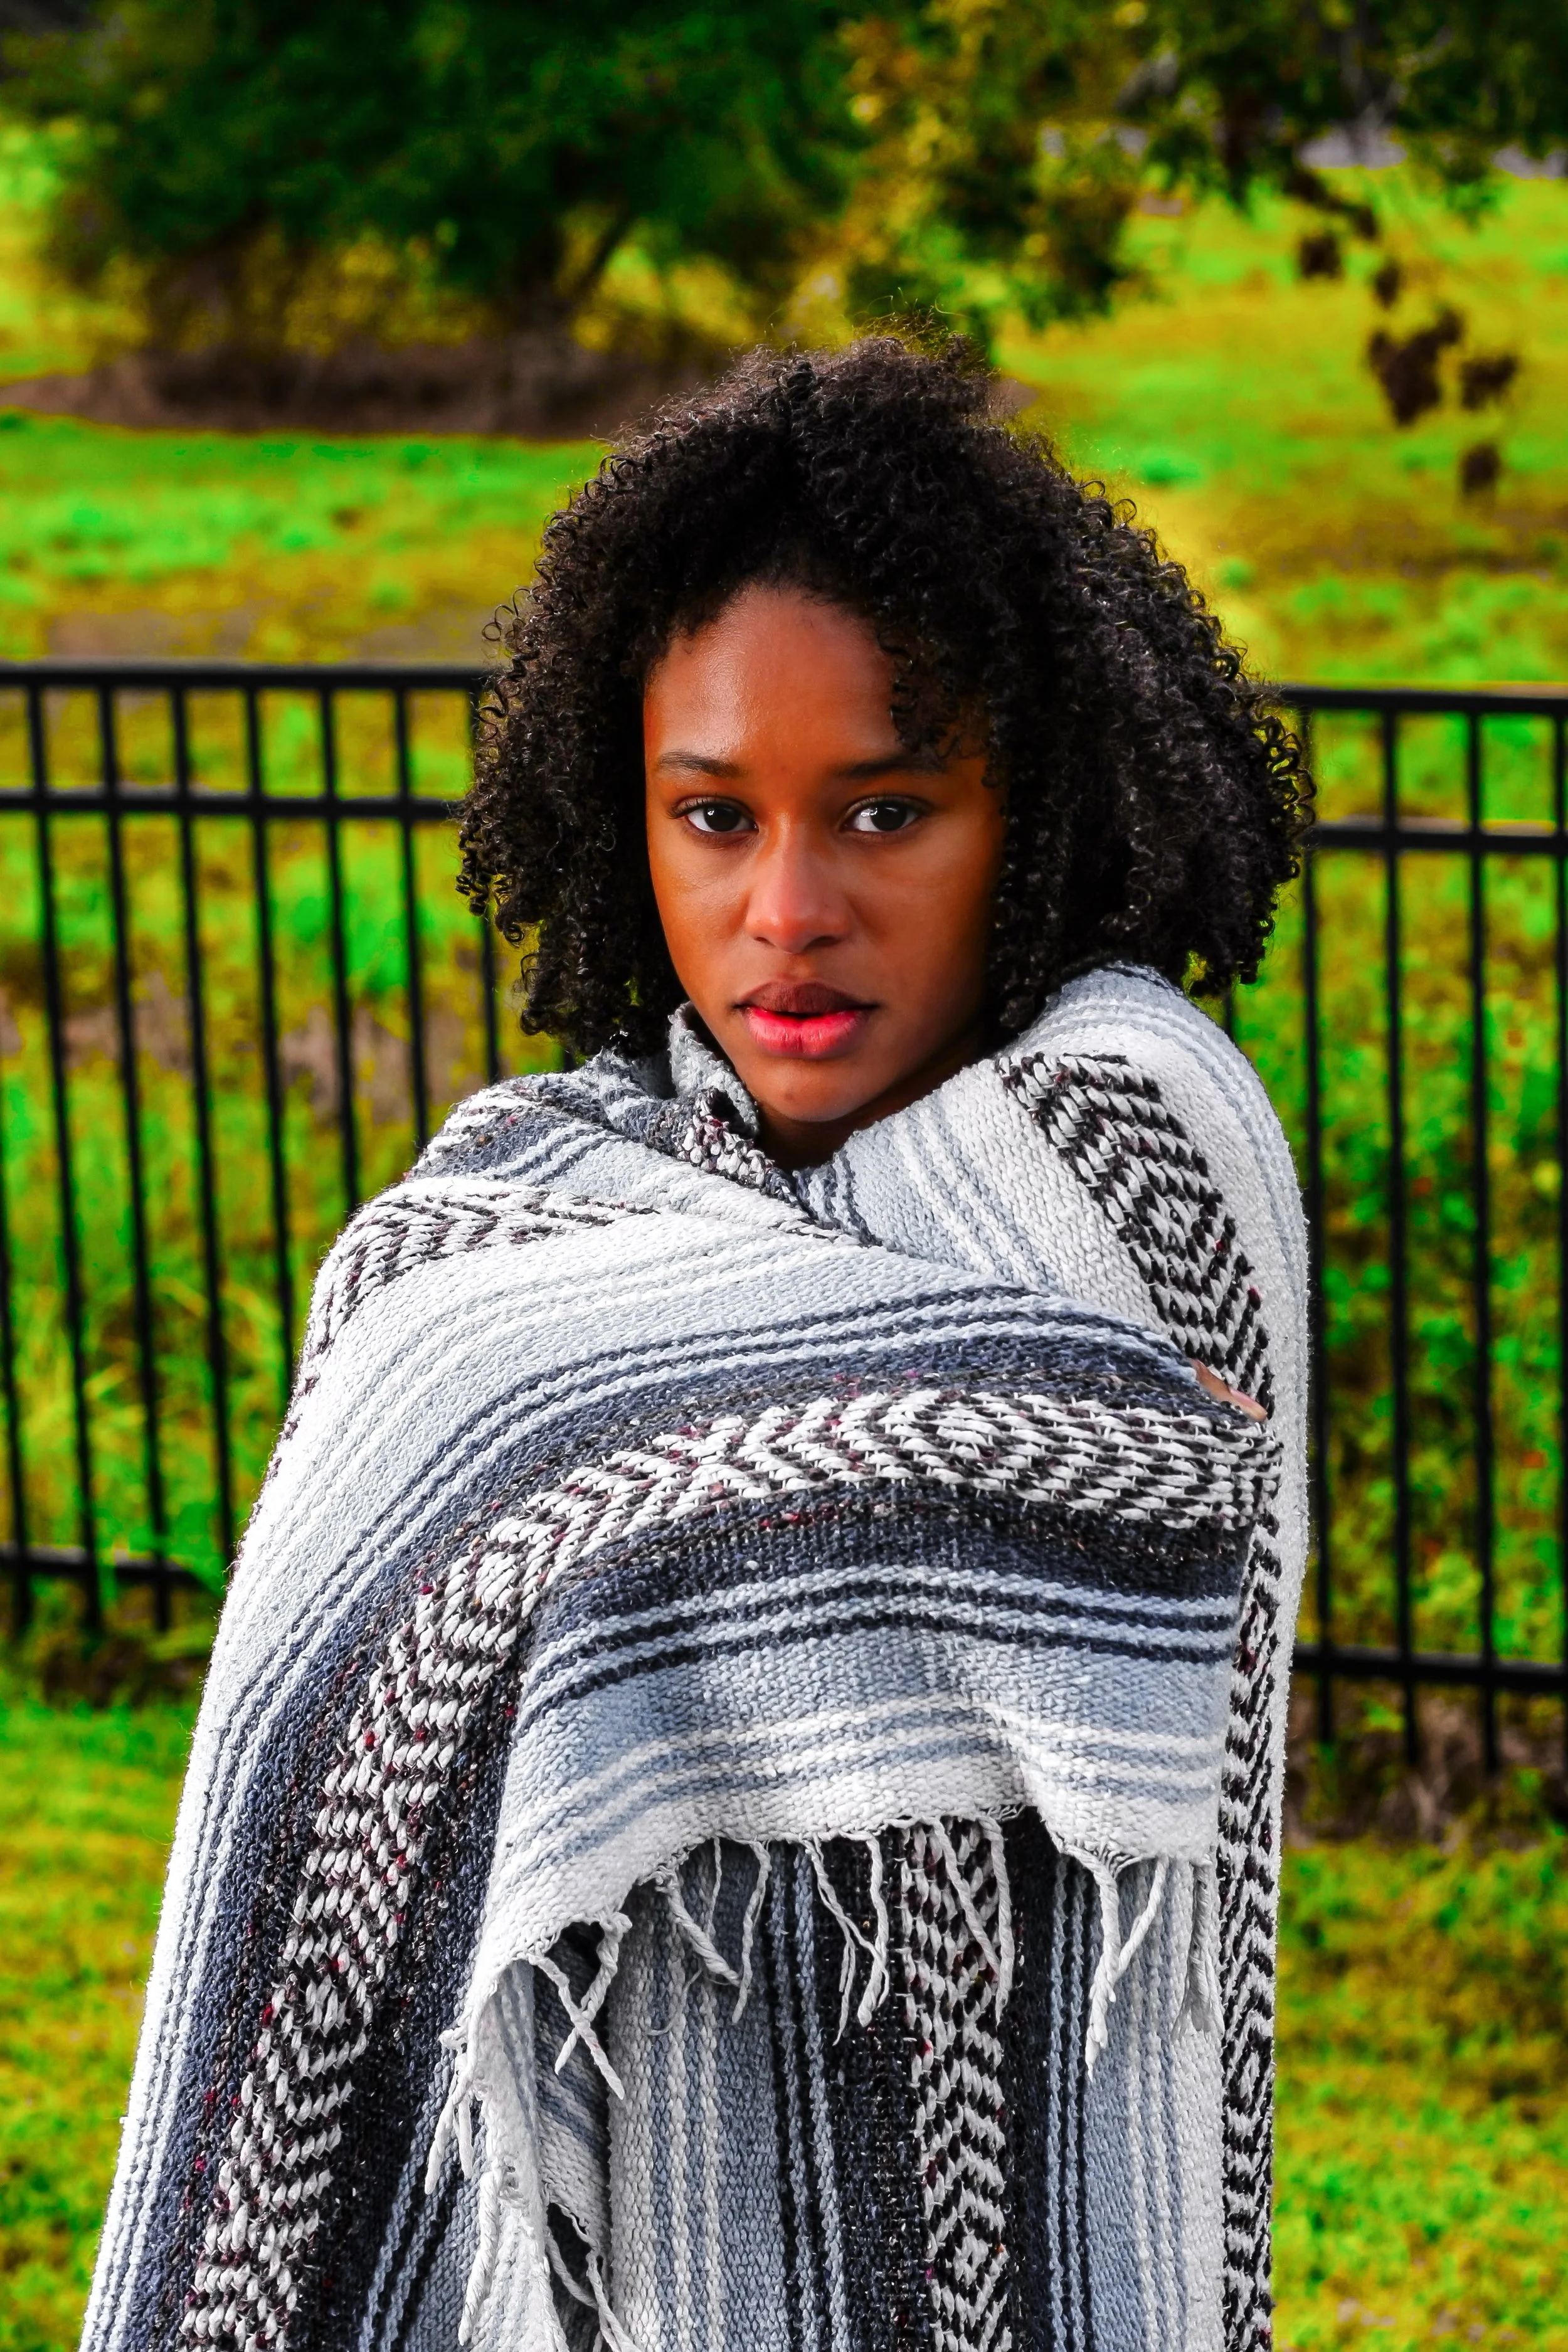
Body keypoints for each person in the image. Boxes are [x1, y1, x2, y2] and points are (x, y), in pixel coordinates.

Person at [84, 339, 1308, 2352]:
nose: (785, 908)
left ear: (1032, 812)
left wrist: (528, 1417)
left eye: (883, 810)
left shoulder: (1137, 1125)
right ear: (619, 814)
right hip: (650, 2223)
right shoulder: (575, 1171)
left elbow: (1014, 1434)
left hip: (1071, 2181)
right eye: (713, 815)